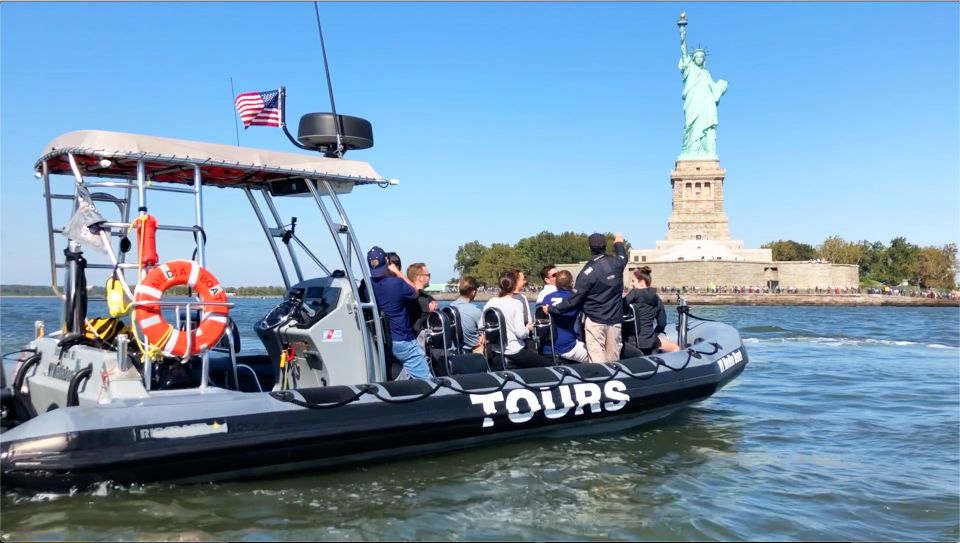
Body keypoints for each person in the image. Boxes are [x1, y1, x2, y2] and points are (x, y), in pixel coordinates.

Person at [546, 232, 627, 363]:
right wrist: (618, 243)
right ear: (605, 246)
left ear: (589, 248)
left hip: (595, 322)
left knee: (597, 362)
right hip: (615, 321)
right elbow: (623, 256)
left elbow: (573, 301)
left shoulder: (587, 273)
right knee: (613, 360)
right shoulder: (617, 263)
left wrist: (551, 309)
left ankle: (601, 381)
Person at [366, 246, 432, 379]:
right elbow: (414, 292)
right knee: (427, 381)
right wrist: (396, 271)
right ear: (387, 261)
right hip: (403, 342)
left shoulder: (366, 285)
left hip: (381, 342)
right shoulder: (396, 284)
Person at [678, 14, 728, 160]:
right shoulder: (690, 69)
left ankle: (706, 152)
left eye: (701, 57)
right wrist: (682, 33)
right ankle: (690, 151)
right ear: (693, 59)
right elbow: (683, 52)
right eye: (697, 57)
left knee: (706, 126)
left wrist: (722, 86)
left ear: (704, 60)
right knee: (690, 126)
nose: (699, 59)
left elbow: (714, 88)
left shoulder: (706, 74)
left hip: (705, 103)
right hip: (693, 101)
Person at [483, 270, 553, 369]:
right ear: (514, 284)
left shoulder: (491, 302)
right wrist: (528, 328)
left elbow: (482, 326)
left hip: (497, 350)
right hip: (514, 351)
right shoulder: (516, 303)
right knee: (550, 366)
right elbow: (521, 333)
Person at [623, 266, 680, 355]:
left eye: (633, 281)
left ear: (641, 283)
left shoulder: (634, 293)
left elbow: (619, 306)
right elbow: (662, 323)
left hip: (633, 342)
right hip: (650, 342)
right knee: (675, 348)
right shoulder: (657, 299)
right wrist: (654, 335)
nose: (631, 284)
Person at [538, 270, 589, 363]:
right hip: (567, 346)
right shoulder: (574, 298)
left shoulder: (546, 298)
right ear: (571, 283)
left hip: (547, 347)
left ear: (556, 283)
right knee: (595, 357)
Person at [450, 276, 484, 354]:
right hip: (471, 350)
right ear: (473, 292)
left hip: (454, 349)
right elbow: (484, 334)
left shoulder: (449, 308)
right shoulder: (476, 311)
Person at [405, 262, 438, 335]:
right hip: (420, 340)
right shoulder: (427, 300)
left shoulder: (404, 297)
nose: (429, 278)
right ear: (420, 278)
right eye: (428, 275)